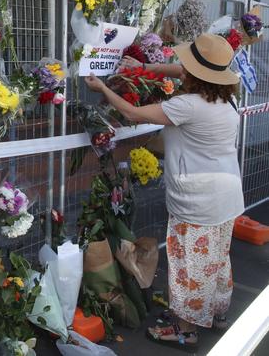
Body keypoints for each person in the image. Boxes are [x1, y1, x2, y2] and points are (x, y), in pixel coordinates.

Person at [85, 33, 244, 351]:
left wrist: (102, 88)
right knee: (215, 259)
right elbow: (181, 71)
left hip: (199, 200)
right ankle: (216, 314)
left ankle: (185, 330)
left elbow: (133, 114)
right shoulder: (227, 97)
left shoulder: (187, 105)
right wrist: (143, 67)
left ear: (195, 74)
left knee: (190, 264)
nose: (180, 68)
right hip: (227, 195)